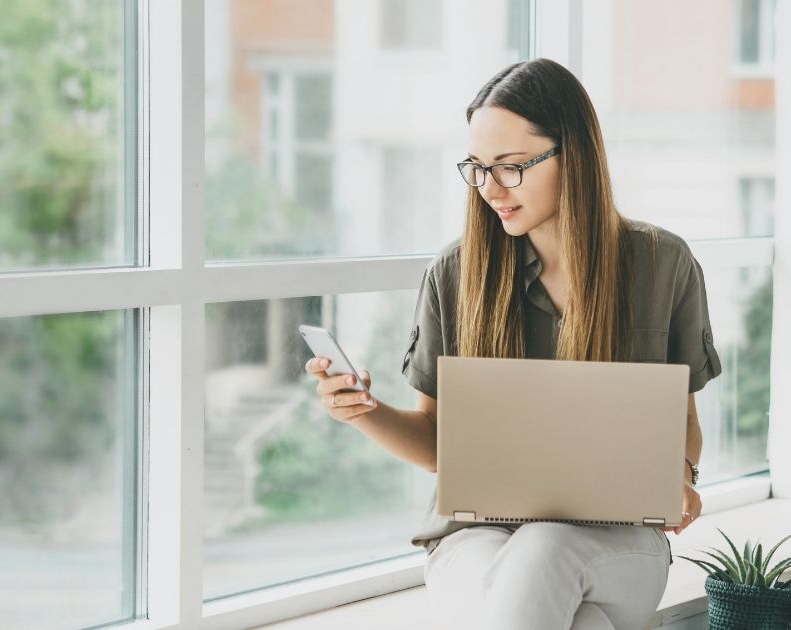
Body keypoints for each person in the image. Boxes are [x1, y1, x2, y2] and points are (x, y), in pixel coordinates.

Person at [305, 58, 722, 630]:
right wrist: (364, 413)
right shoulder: (454, 273)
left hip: (617, 540)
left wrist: (682, 474)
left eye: (510, 167)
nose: (489, 189)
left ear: (571, 155)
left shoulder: (663, 263)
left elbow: (683, 420)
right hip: (476, 536)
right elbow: (439, 445)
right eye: (476, 168)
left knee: (545, 546)